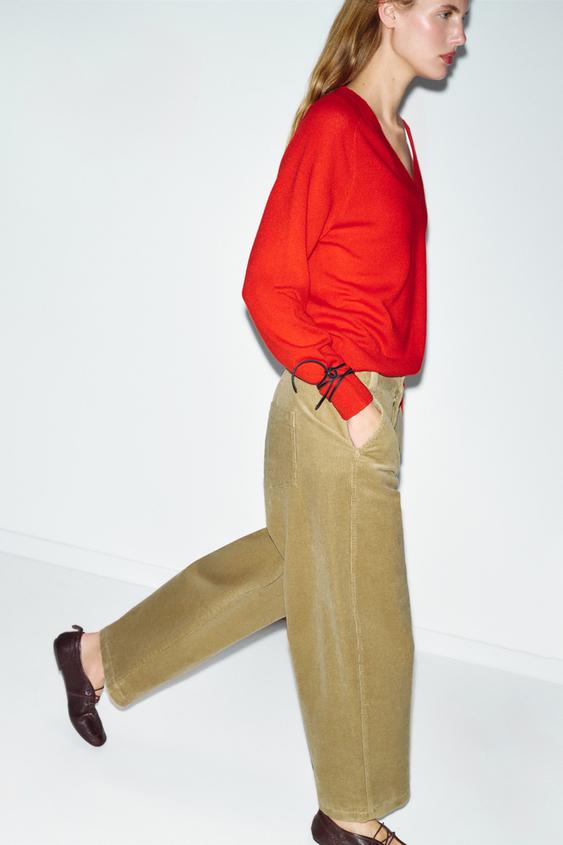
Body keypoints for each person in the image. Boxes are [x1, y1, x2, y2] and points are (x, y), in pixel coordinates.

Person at [53, 1, 469, 842]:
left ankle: (95, 656)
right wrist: (352, 402)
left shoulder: (395, 136)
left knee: (282, 572)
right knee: (367, 619)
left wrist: (383, 395)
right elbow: (267, 286)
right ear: (390, 12)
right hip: (337, 406)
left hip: (360, 402)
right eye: (446, 12)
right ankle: (350, 813)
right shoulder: (336, 127)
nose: (459, 35)